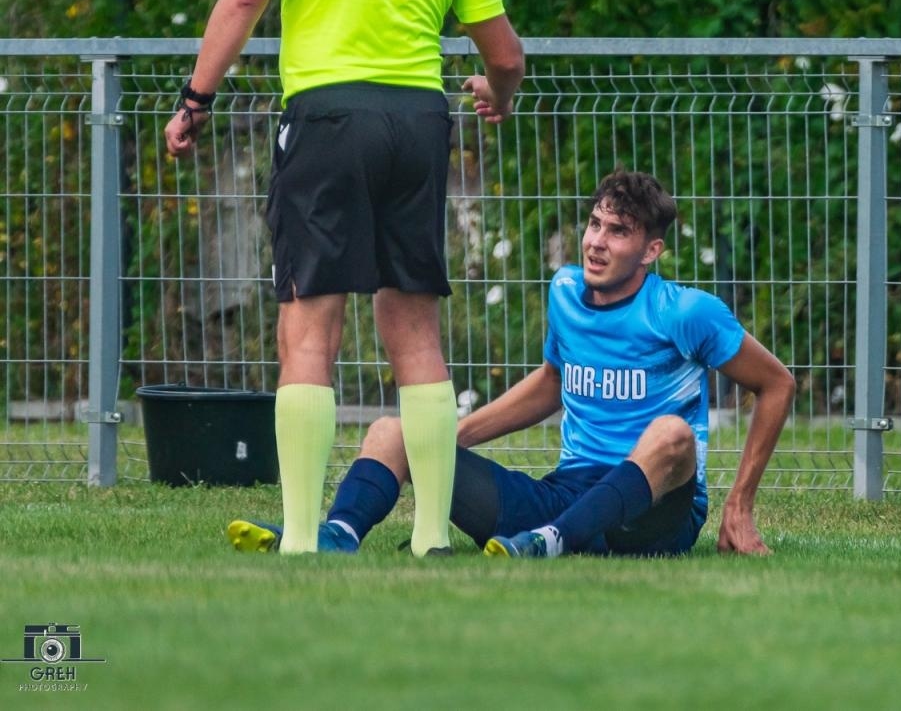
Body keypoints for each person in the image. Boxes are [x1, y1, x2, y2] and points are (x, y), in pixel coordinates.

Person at [165, 0, 524, 556]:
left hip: (327, 120)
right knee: (415, 328)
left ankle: (299, 535)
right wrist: (497, 96)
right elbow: (507, 56)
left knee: (309, 326)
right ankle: (431, 537)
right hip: (421, 124)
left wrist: (197, 96)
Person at [227, 170, 796, 559]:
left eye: (618, 232)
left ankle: (548, 542)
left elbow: (776, 385)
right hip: (566, 491)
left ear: (651, 251)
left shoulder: (688, 312)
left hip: (652, 514)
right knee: (394, 431)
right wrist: (446, 443)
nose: (596, 242)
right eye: (595, 223)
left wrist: (738, 503)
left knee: (671, 434)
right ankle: (335, 535)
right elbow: (552, 383)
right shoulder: (566, 292)